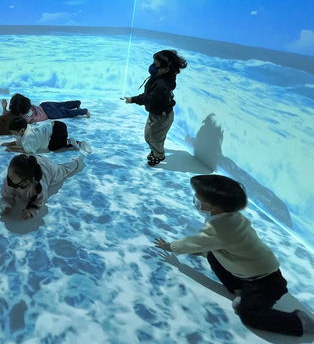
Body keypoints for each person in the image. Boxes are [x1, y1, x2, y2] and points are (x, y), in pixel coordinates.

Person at [154, 174, 313, 337]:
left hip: (265, 282)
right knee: (212, 255)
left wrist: (169, 246)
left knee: (249, 315)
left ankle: (302, 323)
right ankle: (240, 290)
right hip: (252, 271)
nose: (195, 198)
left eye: (199, 197)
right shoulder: (231, 216)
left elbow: (192, 242)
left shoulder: (218, 230)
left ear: (214, 206)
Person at [123, 50, 187, 166]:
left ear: (165, 68)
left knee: (155, 139)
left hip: (162, 116)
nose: (152, 66)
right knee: (148, 136)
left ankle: (159, 156)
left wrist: (132, 99)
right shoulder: (161, 76)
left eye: (156, 64)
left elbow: (149, 97)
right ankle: (155, 150)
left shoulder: (163, 84)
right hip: (155, 113)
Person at [0, 154, 84, 220]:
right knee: (23, 169)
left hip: (48, 167)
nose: (8, 178)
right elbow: (6, 196)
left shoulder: (38, 188)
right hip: (32, 162)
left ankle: (78, 161)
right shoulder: (10, 180)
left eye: (12, 177)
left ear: (26, 181)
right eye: (8, 173)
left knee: (64, 170)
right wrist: (6, 206)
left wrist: (30, 212)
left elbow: (38, 203)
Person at [2, 117, 91, 154]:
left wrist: (12, 149)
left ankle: (75, 142)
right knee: (53, 142)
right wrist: (9, 144)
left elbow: (27, 151)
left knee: (53, 148)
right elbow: (20, 142)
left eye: (14, 133)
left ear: (21, 130)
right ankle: (65, 140)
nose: (13, 135)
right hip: (56, 125)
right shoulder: (26, 128)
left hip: (57, 130)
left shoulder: (28, 137)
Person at [8, 93, 90, 122]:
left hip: (49, 113)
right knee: (62, 105)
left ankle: (84, 111)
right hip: (44, 105)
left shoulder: (25, 117)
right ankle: (76, 103)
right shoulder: (27, 105)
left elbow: (10, 116)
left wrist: (5, 109)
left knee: (66, 113)